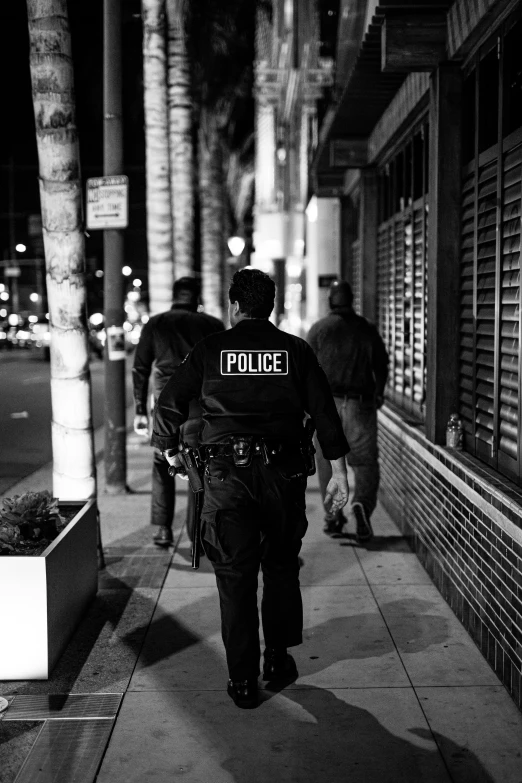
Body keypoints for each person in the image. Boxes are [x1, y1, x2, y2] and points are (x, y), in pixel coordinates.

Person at [151, 268, 349, 709]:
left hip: (225, 478)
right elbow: (323, 411)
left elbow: (168, 401)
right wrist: (340, 471)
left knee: (234, 577)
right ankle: (276, 659)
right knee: (279, 566)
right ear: (271, 306)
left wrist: (168, 452)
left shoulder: (210, 350)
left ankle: (242, 681)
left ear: (235, 306)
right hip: (283, 477)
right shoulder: (295, 350)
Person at [132, 276, 224, 547]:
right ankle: (197, 535)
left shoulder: (156, 323)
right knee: (200, 465)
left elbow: (140, 367)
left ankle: (163, 529)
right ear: (198, 298)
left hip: (164, 403)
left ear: (174, 295)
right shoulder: (211, 325)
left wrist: (139, 408)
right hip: (200, 404)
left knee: (162, 463)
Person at [306, 279, 389, 542]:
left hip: (327, 405)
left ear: (330, 301)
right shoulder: (366, 329)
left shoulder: (319, 329)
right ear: (351, 300)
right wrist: (379, 392)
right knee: (364, 462)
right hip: (360, 403)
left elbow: (306, 370)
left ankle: (333, 515)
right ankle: (361, 504)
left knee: (328, 462)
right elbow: (382, 364)